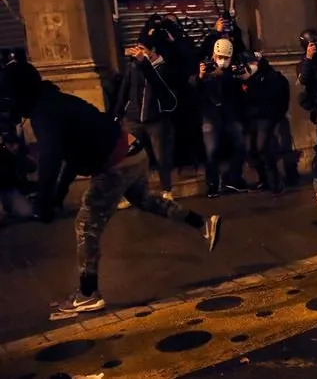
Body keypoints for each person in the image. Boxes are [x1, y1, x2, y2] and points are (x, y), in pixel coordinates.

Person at [5, 63, 220, 313]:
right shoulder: (55, 101)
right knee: (145, 200)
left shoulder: (44, 113)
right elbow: (72, 157)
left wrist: (43, 202)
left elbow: (51, 157)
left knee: (86, 224)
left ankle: (88, 293)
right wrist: (56, 195)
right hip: (133, 151)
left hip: (116, 163)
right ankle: (202, 223)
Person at [114, 38, 178, 202]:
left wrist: (144, 63)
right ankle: (130, 195)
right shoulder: (134, 65)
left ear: (153, 49)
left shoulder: (164, 67)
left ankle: (167, 190)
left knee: (161, 155)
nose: (138, 52)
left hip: (155, 119)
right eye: (137, 48)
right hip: (133, 119)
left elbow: (159, 83)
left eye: (142, 48)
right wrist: (118, 113)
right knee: (128, 157)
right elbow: (125, 89)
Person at [193, 38, 249, 198]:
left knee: (240, 145)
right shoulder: (205, 66)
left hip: (230, 114)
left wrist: (224, 75)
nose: (222, 60)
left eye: (226, 57)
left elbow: (238, 89)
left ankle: (234, 179)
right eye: (220, 56)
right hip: (210, 115)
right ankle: (212, 184)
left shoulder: (233, 69)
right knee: (211, 150)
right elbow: (193, 90)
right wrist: (201, 76)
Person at [239, 51, 291, 194]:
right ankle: (264, 179)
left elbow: (269, 97)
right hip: (251, 118)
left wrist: (251, 83)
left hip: (265, 117)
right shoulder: (244, 77)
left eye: (254, 63)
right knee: (250, 149)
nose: (251, 66)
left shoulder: (271, 77)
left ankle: (275, 182)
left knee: (262, 148)